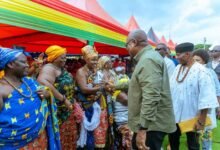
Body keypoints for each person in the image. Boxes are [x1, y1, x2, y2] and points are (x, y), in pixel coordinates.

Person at [0, 48, 60, 150]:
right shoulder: (1, 90)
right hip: (14, 145)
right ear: (10, 64)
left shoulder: (29, 82)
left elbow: (43, 94)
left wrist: (47, 94)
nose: (28, 65)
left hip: (40, 140)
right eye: (23, 62)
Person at [125, 29, 176, 150]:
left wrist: (143, 129)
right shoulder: (148, 58)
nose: (126, 48)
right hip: (150, 124)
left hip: (151, 126)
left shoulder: (148, 60)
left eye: (126, 45)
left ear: (133, 42)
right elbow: (141, 84)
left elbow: (151, 95)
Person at [169, 43, 219, 150]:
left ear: (187, 54)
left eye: (178, 55)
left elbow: (206, 96)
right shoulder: (177, 68)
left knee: (193, 145)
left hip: (193, 115)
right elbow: (172, 88)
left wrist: (202, 119)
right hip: (175, 113)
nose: (176, 57)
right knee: (173, 140)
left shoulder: (201, 71)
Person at [37, 45, 78, 149]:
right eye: (62, 57)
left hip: (66, 109)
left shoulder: (59, 68)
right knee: (60, 137)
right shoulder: (49, 67)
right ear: (54, 58)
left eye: (65, 57)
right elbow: (42, 82)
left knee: (68, 137)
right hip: (58, 112)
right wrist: (63, 99)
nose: (65, 59)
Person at [75, 45, 108, 149]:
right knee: (87, 130)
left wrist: (103, 85)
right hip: (86, 106)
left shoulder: (95, 71)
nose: (95, 62)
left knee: (95, 130)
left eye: (96, 60)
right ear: (86, 59)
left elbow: (100, 82)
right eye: (92, 60)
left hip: (96, 103)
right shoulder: (81, 72)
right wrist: (100, 88)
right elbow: (84, 89)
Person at [192, 49, 220, 150]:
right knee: (194, 133)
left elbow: (217, 90)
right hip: (194, 108)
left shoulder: (209, 72)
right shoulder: (190, 71)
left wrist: (218, 107)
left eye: (198, 60)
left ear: (204, 61)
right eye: (193, 59)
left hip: (207, 109)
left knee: (206, 132)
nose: (195, 62)